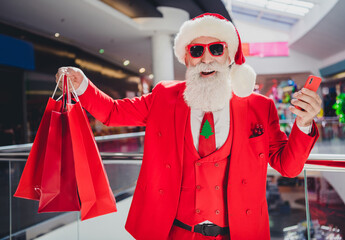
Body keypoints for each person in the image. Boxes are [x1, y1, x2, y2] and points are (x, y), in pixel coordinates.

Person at [56, 13, 321, 240]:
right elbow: (113, 113)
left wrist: (304, 123)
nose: (206, 59)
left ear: (229, 55)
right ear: (187, 57)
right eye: (197, 50)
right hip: (173, 232)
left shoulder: (260, 107)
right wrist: (82, 84)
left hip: (237, 233)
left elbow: (288, 166)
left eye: (216, 49)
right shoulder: (163, 96)